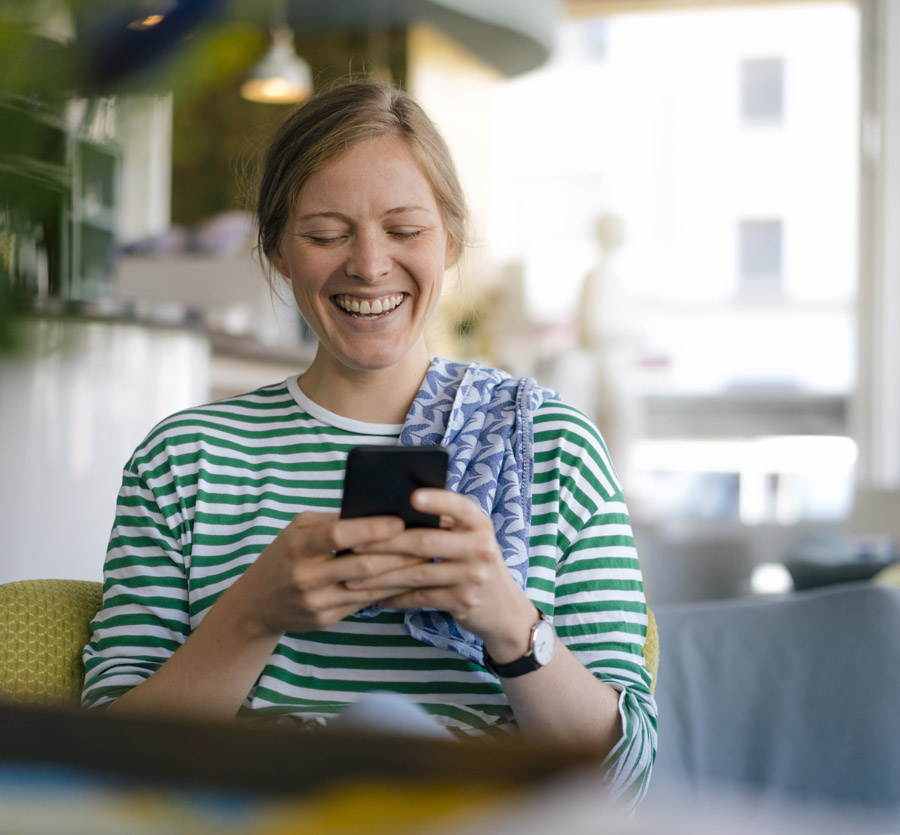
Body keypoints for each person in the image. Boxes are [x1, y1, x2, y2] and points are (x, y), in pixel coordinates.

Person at [82, 80, 657, 806]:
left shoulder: (552, 445)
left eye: (405, 230)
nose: (370, 264)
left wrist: (509, 620)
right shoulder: (184, 458)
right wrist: (253, 612)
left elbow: (625, 775)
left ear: (450, 238)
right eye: (326, 234)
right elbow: (100, 760)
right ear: (280, 251)